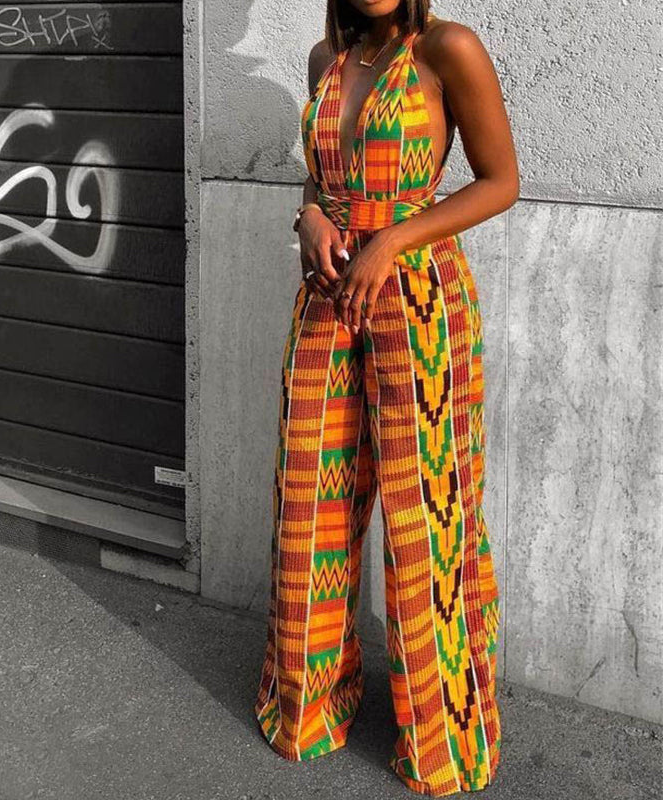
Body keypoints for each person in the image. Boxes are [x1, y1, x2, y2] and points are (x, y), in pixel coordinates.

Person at [253, 1, 519, 796]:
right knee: (311, 506)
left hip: (418, 298)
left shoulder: (447, 48)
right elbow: (320, 173)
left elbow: (502, 181)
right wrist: (308, 214)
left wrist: (395, 238)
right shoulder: (324, 59)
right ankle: (309, 707)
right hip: (328, 294)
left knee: (425, 516)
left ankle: (443, 738)